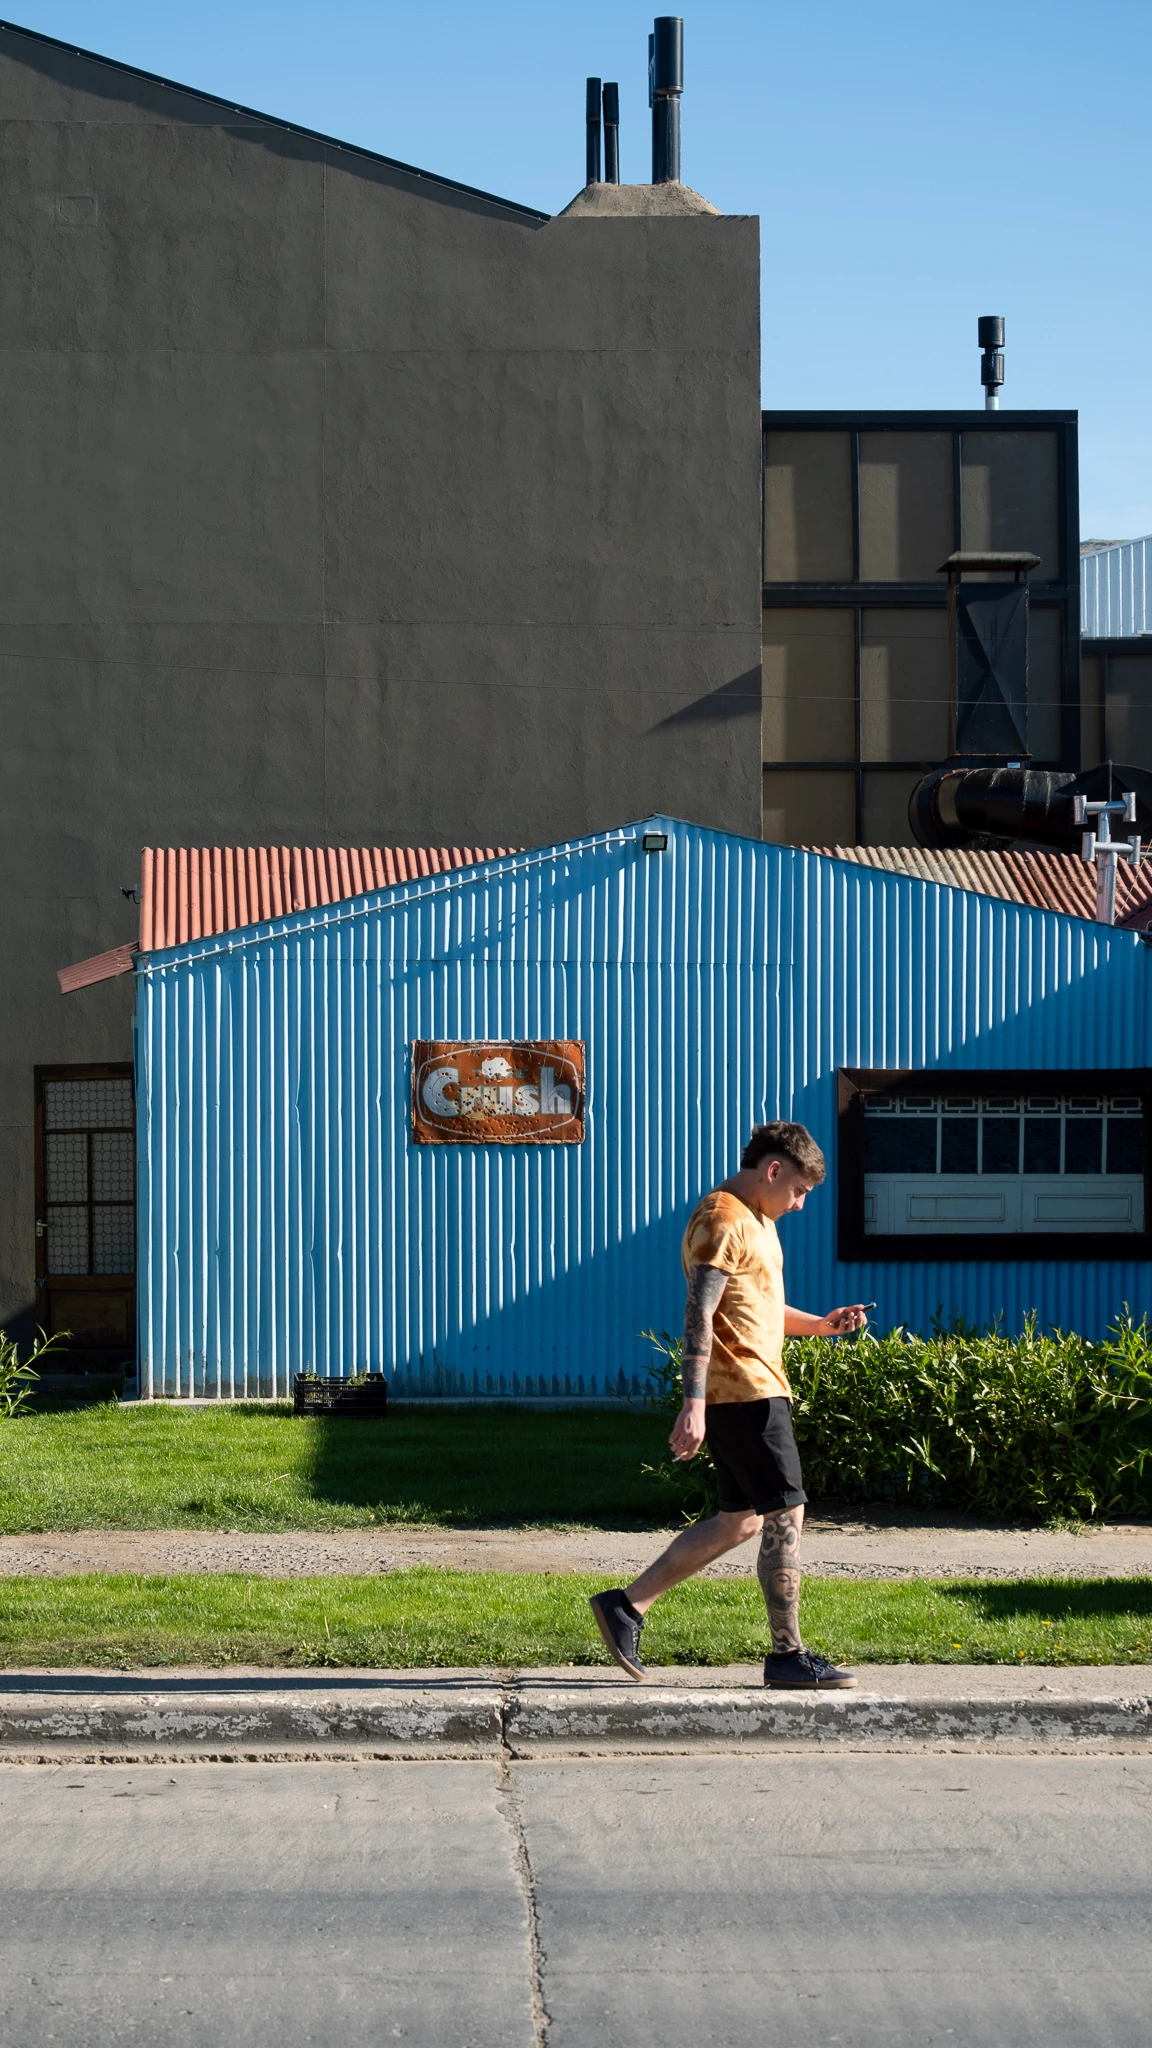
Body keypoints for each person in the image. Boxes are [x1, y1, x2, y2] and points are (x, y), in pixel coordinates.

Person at [590, 1122, 867, 1688]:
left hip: (752, 1389)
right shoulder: (721, 1219)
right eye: (798, 1190)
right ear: (773, 1170)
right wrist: (693, 1403)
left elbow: (761, 1308)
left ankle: (626, 1607)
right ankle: (787, 1656)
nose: (801, 1202)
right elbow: (699, 1314)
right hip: (743, 1393)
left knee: (740, 1520)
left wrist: (821, 1325)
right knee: (786, 1511)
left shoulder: (758, 1221)